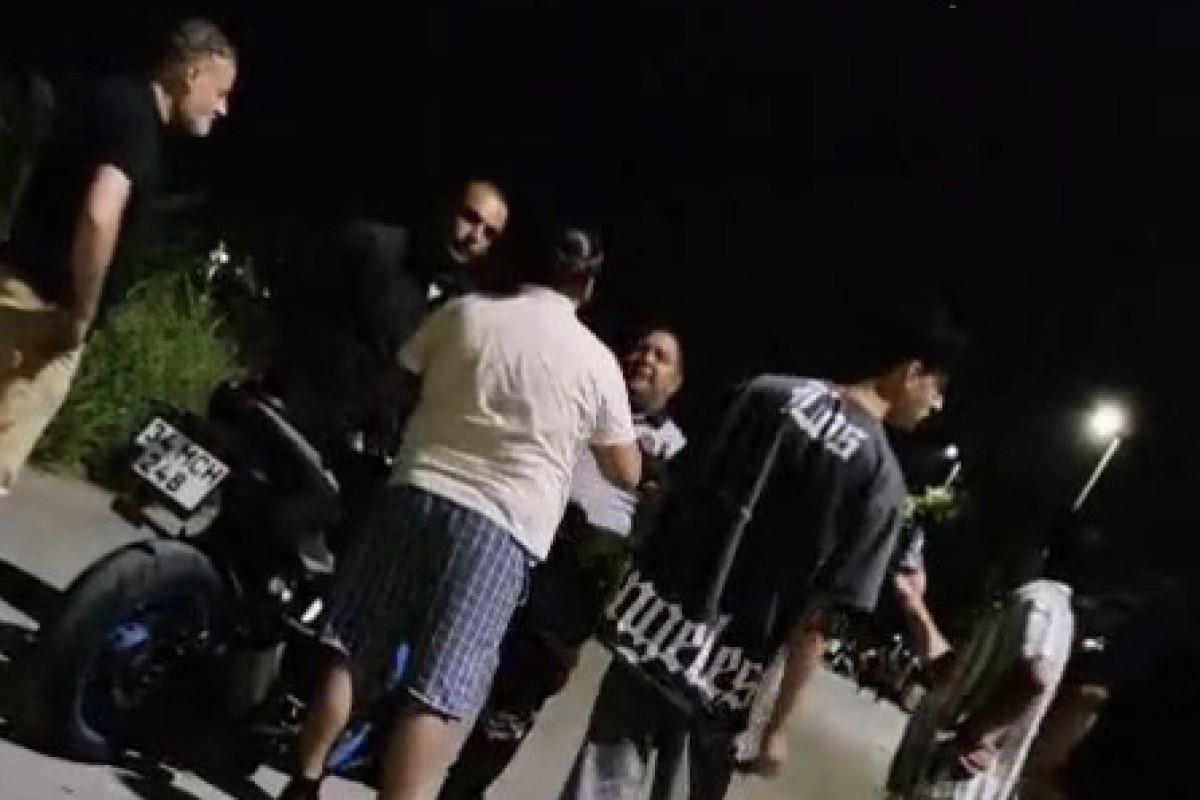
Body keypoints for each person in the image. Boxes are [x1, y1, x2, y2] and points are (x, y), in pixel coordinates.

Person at [279, 226, 642, 800]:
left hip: (414, 490)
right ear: (588, 286)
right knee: (438, 690)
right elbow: (625, 470)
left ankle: (303, 782)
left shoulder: (466, 312)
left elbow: (399, 380)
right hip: (499, 529)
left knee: (351, 647)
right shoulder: (596, 363)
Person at [557, 306, 966, 800]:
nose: (936, 405)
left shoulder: (765, 392)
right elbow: (821, 617)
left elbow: (669, 492)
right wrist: (777, 728)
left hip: (652, 629)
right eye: (937, 388)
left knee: (599, 780)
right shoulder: (880, 482)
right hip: (728, 674)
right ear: (911, 371)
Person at [438, 326, 687, 800]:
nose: (645, 359)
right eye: (640, 348)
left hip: (579, 573)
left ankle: (461, 791)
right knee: (447, 659)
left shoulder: (675, 448)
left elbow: (659, 529)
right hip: (517, 534)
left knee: (515, 702)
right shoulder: (589, 397)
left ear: (675, 384)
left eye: (661, 357)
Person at [0, 18, 237, 494]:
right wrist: (80, 314)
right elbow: (99, 214)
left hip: (16, 282)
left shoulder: (109, 102)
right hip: (44, 312)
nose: (222, 108)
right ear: (190, 73)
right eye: (220, 92)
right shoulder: (135, 124)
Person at [270, 180, 510, 458]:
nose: (475, 237)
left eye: (489, 233)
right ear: (446, 209)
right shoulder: (372, 246)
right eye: (469, 218)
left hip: (363, 449)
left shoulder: (464, 306)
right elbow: (298, 304)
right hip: (297, 417)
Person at [886, 522, 1102, 800]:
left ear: (1043, 551)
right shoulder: (1022, 604)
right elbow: (954, 676)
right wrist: (914, 602)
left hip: (954, 784)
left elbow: (1037, 675)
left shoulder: (1041, 601)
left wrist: (975, 734)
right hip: (931, 781)